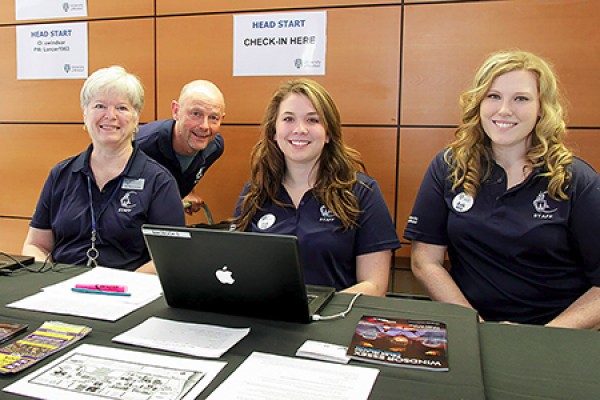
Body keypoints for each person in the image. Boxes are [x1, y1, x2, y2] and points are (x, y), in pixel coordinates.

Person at [403, 50, 600, 329]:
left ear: (542, 107)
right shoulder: (449, 167)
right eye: (493, 96)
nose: (504, 110)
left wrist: (543, 336)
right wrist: (474, 325)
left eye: (521, 98)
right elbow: (425, 260)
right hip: (470, 328)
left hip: (554, 334)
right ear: (479, 102)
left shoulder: (576, 180)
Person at [233, 79, 400, 296]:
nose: (300, 129)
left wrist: (314, 311)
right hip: (266, 324)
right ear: (274, 131)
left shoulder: (361, 192)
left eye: (312, 120)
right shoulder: (254, 193)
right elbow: (235, 269)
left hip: (335, 323)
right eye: (288, 119)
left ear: (329, 133)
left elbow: (374, 285)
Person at [22, 66, 185, 272]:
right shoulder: (60, 175)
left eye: (122, 108)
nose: (111, 116)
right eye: (100, 106)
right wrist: (49, 279)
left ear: (136, 118)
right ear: (85, 114)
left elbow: (171, 256)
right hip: (61, 291)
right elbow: (36, 244)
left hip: (127, 295)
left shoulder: (159, 182)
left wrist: (119, 287)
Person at [136, 80, 225, 215]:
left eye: (213, 117)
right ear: (176, 111)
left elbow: (185, 171)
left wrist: (187, 191)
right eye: (196, 114)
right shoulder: (139, 146)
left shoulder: (213, 147)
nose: (205, 126)